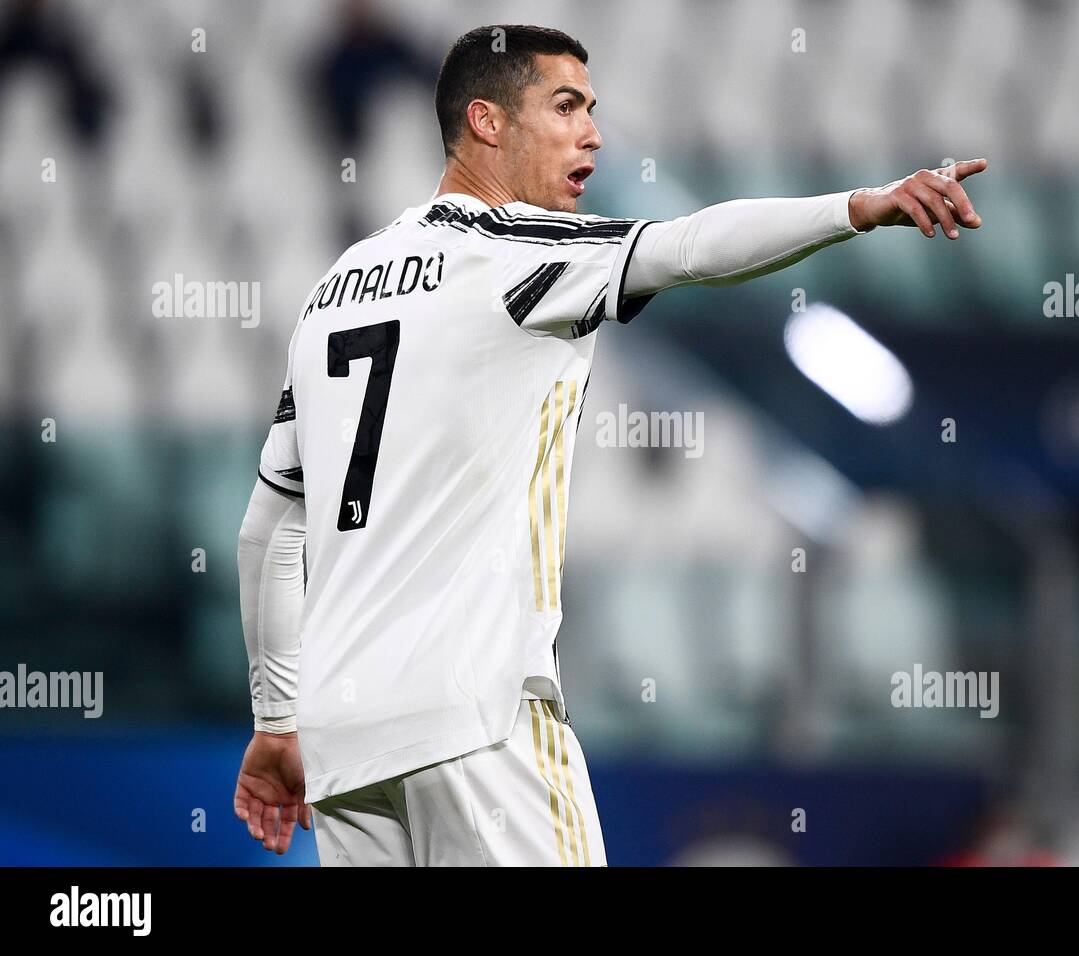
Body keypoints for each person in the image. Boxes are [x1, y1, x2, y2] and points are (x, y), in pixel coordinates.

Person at [232, 23, 986, 866]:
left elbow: (268, 529)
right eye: (564, 107)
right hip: (477, 725)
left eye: (592, 109)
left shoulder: (333, 292)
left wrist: (275, 722)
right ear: (486, 122)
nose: (592, 132)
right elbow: (692, 247)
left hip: (345, 746)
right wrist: (858, 206)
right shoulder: (516, 251)